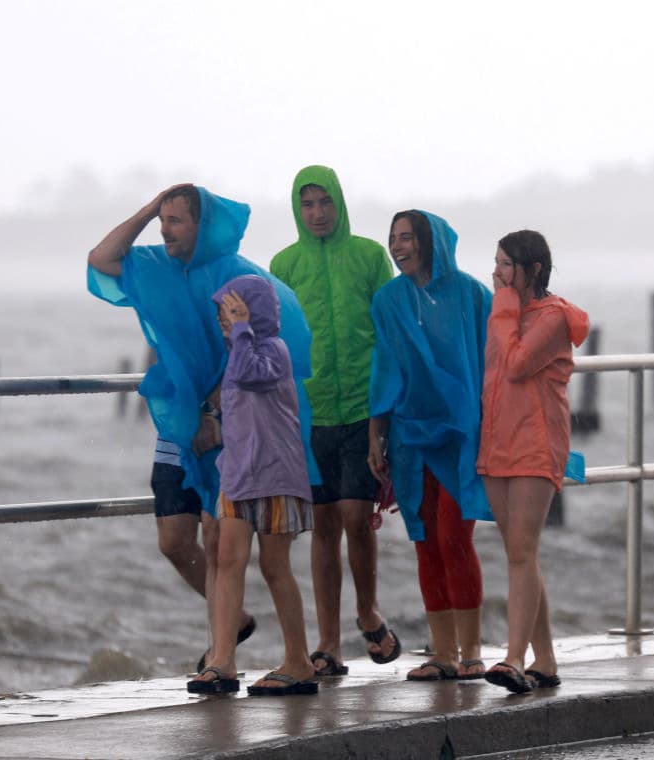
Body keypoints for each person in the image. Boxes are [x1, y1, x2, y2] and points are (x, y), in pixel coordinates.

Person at [87, 184, 316, 673]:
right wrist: (149, 210)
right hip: (177, 421)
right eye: (163, 221)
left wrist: (213, 416)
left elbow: (278, 344)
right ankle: (232, 628)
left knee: (224, 545)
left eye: (176, 220)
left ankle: (223, 655)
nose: (167, 230)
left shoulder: (238, 274)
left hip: (236, 431)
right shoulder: (155, 265)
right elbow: (102, 258)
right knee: (174, 539)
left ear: (201, 224)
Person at [270, 165, 401, 676]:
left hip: (361, 411)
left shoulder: (369, 257)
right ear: (297, 209)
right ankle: (327, 644)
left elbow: (387, 336)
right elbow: (271, 336)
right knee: (323, 525)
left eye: (325, 203)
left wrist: (382, 416)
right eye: (308, 205)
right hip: (309, 411)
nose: (318, 213)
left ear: (340, 203)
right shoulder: (284, 263)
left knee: (354, 517)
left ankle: (367, 610)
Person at [367, 210, 493, 681]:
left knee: (454, 538)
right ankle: (442, 653)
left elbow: (491, 362)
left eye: (408, 237)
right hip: (408, 436)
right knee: (425, 542)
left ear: (430, 241)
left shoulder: (470, 294)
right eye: (393, 238)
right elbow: (384, 370)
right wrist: (374, 436)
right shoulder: (388, 300)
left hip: (461, 433)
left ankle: (472, 651)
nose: (398, 246)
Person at [188, 275, 318, 696]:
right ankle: (222, 659)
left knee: (274, 566)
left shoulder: (273, 351)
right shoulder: (238, 352)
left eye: (233, 311)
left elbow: (249, 373)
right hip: (239, 475)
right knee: (227, 558)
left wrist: (243, 328)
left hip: (275, 475)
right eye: (224, 314)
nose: (225, 321)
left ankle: (298, 661)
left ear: (253, 311)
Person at [477, 230, 589, 694]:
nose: (498, 273)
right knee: (520, 553)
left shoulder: (554, 317)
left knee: (522, 552)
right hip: (498, 440)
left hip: (536, 443)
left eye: (507, 265)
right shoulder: (504, 313)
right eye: (497, 263)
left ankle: (513, 657)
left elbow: (520, 363)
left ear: (533, 269)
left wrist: (503, 308)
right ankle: (545, 658)